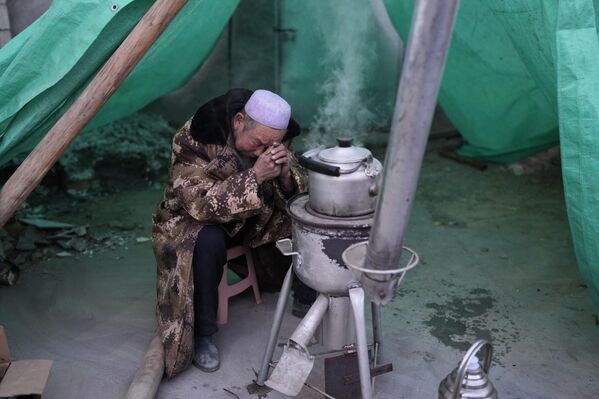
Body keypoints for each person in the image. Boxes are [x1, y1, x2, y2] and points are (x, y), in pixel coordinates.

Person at [151, 88, 314, 378]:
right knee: (206, 240)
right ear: (239, 121)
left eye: (270, 146)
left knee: (305, 216)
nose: (261, 152)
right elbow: (199, 205)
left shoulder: (271, 135)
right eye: (257, 144)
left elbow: (298, 184)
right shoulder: (195, 138)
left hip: (248, 216)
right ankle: (203, 333)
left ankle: (306, 294)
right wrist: (256, 176)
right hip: (193, 219)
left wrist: (288, 176)